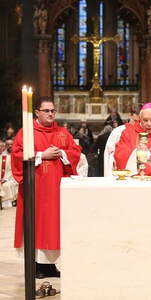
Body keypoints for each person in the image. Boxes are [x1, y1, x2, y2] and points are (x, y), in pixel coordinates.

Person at [11, 97, 81, 278]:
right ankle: (36, 265)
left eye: (53, 111)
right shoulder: (26, 132)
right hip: (36, 188)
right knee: (36, 223)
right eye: (46, 111)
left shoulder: (62, 132)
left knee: (54, 225)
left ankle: (50, 266)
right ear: (37, 112)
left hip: (57, 189)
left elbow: (75, 151)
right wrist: (42, 155)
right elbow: (17, 155)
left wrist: (63, 153)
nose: (50, 114)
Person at [104, 111, 139, 177]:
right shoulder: (118, 130)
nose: (136, 123)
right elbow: (108, 152)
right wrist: (108, 174)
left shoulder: (143, 132)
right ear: (130, 116)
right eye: (135, 120)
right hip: (118, 171)